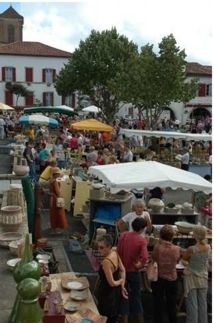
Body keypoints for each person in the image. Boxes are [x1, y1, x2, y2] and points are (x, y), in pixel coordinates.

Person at [117, 217, 148, 323]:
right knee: (136, 296)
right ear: (142, 229)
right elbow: (144, 256)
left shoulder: (123, 236)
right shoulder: (141, 240)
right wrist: (140, 264)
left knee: (124, 295)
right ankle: (140, 319)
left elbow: (118, 251)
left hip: (123, 270)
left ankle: (124, 320)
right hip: (134, 271)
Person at [151, 224, 181, 323]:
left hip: (159, 277)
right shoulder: (176, 249)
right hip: (172, 277)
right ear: (172, 236)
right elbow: (177, 261)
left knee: (157, 304)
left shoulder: (157, 247)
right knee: (171, 304)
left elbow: (154, 259)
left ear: (161, 235)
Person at [182, 225, 212, 323]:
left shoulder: (192, 249)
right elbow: (209, 261)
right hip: (203, 277)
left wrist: (188, 263)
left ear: (195, 235)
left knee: (192, 305)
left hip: (191, 278)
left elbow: (184, 261)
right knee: (203, 304)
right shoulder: (208, 247)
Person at [97, 234, 128, 323]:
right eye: (98, 247)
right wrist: (122, 285)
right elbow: (122, 270)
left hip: (107, 295)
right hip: (116, 293)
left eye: (102, 247)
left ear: (109, 246)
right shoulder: (115, 253)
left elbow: (112, 283)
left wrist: (120, 281)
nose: (99, 250)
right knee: (113, 316)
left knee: (105, 318)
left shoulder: (106, 262)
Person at [49, 167, 68, 234]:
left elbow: (51, 191)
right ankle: (55, 229)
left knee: (53, 214)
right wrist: (61, 189)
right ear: (55, 174)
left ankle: (53, 227)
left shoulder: (50, 180)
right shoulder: (55, 182)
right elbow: (58, 192)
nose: (59, 175)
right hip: (56, 199)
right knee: (58, 214)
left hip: (52, 199)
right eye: (58, 174)